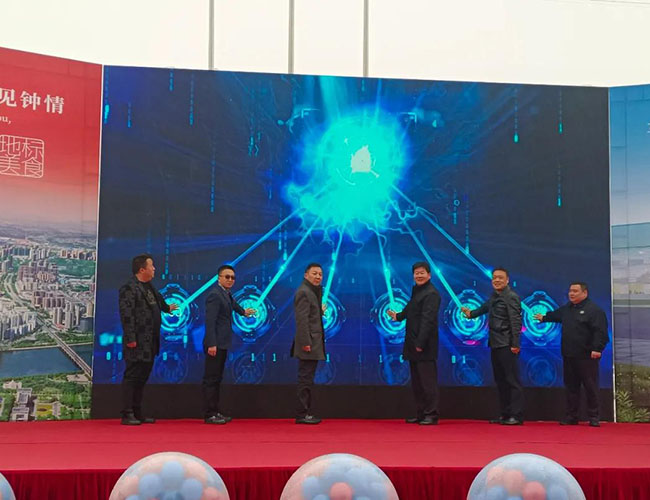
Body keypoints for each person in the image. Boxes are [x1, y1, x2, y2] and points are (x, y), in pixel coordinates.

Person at [534, 282, 609, 427]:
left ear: (584, 293)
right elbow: (555, 315)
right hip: (569, 355)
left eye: (575, 291)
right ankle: (572, 416)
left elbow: (600, 332)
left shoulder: (594, 310)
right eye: (570, 291)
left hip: (587, 356)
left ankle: (594, 417)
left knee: (590, 387)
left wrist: (597, 348)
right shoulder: (567, 308)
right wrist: (544, 318)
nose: (571, 294)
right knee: (571, 388)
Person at [118, 254, 178, 425]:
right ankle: (127, 413)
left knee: (142, 377)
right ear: (142, 269)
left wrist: (167, 308)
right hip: (136, 341)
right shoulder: (129, 288)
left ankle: (137, 412)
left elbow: (159, 303)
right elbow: (126, 315)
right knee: (132, 376)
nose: (154, 269)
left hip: (150, 341)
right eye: (151, 266)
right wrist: (131, 338)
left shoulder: (149, 287)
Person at [462, 267, 523, 425]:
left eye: (500, 277)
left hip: (507, 344)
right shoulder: (494, 296)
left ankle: (515, 415)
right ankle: (505, 413)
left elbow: (515, 321)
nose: (497, 280)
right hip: (495, 343)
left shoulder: (511, 297)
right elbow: (484, 308)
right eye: (494, 277)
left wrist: (515, 343)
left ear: (507, 280)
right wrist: (470, 314)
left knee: (511, 380)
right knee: (501, 380)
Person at [387, 261, 441, 425]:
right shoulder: (417, 291)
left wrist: (420, 343)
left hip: (424, 345)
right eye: (416, 273)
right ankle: (421, 413)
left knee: (427, 382)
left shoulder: (431, 294)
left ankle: (431, 414)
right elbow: (410, 309)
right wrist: (398, 316)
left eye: (422, 272)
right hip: (413, 344)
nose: (419, 275)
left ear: (429, 275)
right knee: (417, 382)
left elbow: (427, 320)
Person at [203, 264, 255, 424]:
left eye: (233, 277)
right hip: (215, 344)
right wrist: (212, 343)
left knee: (217, 378)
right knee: (211, 379)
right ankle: (210, 414)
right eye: (227, 277)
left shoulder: (225, 293)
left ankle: (215, 411)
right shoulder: (215, 295)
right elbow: (210, 321)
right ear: (219, 278)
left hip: (222, 343)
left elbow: (233, 304)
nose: (230, 280)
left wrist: (244, 312)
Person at [291, 263, 326, 424]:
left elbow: (310, 315)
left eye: (320, 274)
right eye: (314, 273)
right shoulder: (304, 292)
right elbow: (302, 320)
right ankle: (302, 413)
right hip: (308, 344)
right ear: (306, 275)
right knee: (305, 378)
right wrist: (305, 342)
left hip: (313, 342)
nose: (318, 276)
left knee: (308, 378)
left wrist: (320, 311)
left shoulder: (312, 292)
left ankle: (305, 412)